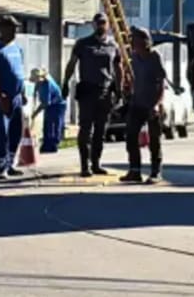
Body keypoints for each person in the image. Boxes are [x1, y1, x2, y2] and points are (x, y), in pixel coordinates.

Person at [62, 12, 123, 177]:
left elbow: (118, 68)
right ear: (93, 25)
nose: (101, 25)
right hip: (87, 91)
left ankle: (96, 163)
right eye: (98, 23)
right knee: (85, 129)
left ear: (107, 25)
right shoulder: (83, 44)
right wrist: (65, 83)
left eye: (103, 22)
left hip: (105, 91)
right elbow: (72, 64)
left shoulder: (113, 45)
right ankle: (85, 165)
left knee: (101, 130)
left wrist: (119, 89)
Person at [0, 15, 27, 178]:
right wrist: (1, 97)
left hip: (16, 97)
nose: (15, 31)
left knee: (16, 130)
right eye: (11, 28)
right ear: (2, 29)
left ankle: (11, 163)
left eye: (16, 28)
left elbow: (19, 72)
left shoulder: (17, 48)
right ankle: (0, 164)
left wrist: (22, 92)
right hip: (1, 97)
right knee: (0, 131)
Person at [122, 27, 165, 184]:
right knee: (131, 136)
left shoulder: (154, 57)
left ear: (144, 41)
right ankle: (134, 170)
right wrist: (127, 89)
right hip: (137, 103)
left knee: (154, 140)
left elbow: (161, 84)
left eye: (135, 39)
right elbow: (132, 78)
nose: (132, 42)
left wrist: (157, 104)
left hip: (152, 104)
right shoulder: (134, 57)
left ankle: (155, 172)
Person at [30, 68, 67, 153]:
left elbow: (45, 103)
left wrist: (35, 113)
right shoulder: (39, 83)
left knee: (55, 124)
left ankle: (54, 144)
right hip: (50, 104)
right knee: (47, 123)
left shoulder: (47, 84)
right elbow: (35, 94)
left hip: (58, 104)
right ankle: (47, 143)